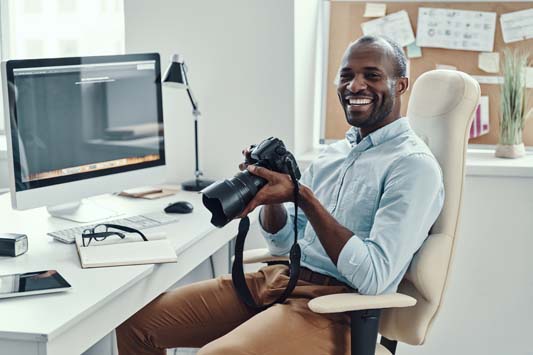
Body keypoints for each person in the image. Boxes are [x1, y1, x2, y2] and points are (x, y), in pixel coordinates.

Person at [116, 35, 444, 355]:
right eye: (346, 75)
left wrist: (303, 196)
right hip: (280, 279)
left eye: (371, 75)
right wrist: (271, 197)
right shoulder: (334, 154)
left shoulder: (412, 167)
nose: (355, 86)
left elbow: (374, 277)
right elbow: (282, 244)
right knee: (137, 325)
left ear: (400, 85)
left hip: (336, 309)